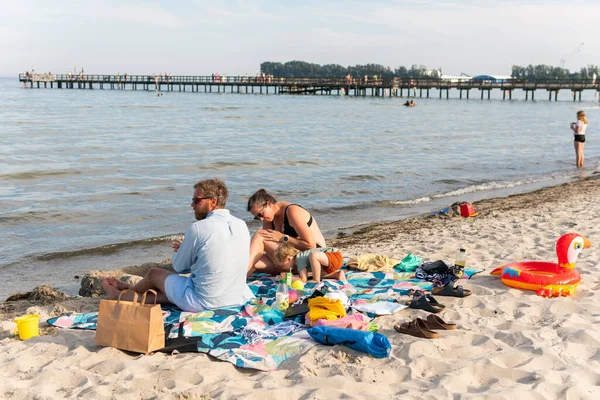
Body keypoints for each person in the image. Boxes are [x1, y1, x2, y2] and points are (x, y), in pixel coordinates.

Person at [102, 178, 254, 312]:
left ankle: (128, 290)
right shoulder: (241, 224)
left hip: (206, 302)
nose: (192, 204)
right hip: (235, 297)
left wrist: (182, 251)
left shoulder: (199, 228)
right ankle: (126, 295)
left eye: (197, 200)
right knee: (172, 291)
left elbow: (180, 267)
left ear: (213, 202)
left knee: (154, 274)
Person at [247, 189, 326, 277]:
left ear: (269, 204)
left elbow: (311, 245)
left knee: (260, 235)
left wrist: (283, 237)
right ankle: (238, 283)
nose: (261, 219)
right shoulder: (269, 218)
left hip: (314, 260)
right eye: (257, 217)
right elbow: (267, 245)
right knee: (252, 260)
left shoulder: (292, 211)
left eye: (260, 214)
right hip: (290, 261)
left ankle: (241, 275)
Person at [273, 243, 346, 282]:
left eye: (282, 265)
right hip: (330, 262)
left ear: (289, 259)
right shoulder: (298, 263)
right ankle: (337, 274)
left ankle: (316, 280)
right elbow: (305, 277)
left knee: (313, 256)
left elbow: (303, 280)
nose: (282, 267)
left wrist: (288, 278)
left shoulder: (299, 259)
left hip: (335, 256)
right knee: (315, 273)